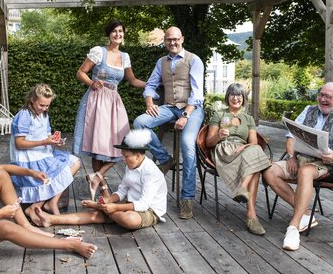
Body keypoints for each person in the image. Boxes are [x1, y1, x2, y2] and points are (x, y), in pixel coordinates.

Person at [0, 133, 97, 258]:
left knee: (0, 174)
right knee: (5, 227)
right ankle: (69, 245)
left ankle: (26, 226)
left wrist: (32, 173)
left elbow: (6, 168)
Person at [133, 26, 204, 220]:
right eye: (168, 40)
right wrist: (149, 102)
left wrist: (185, 115)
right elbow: (150, 85)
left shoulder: (194, 60)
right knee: (140, 122)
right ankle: (165, 159)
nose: (172, 43)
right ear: (164, 41)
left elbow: (197, 94)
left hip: (192, 109)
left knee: (187, 145)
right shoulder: (161, 62)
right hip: (169, 106)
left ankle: (187, 199)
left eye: (175, 39)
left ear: (182, 38)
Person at [263, 81, 333, 251]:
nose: (322, 99)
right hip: (299, 159)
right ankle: (306, 213)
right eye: (321, 95)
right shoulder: (308, 110)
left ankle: (293, 227)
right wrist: (292, 156)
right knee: (269, 171)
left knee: (305, 172)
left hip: (328, 165)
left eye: (328, 96)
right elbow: (291, 136)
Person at [33, 129, 167, 230]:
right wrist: (110, 201)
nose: (123, 160)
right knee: (94, 216)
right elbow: (121, 191)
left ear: (138, 156)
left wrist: (113, 207)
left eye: (126, 156)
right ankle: (51, 219)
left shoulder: (150, 172)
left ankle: (103, 209)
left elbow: (143, 204)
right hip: (130, 204)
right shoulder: (132, 165)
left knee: (130, 220)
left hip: (149, 210)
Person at [73, 19, 145, 200]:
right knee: (97, 145)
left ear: (123, 34)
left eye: (120, 31)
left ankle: (96, 176)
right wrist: (91, 82)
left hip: (114, 102)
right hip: (96, 100)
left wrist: (154, 85)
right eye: (114, 31)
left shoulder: (125, 57)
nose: (118, 34)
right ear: (109, 34)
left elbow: (133, 81)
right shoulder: (99, 52)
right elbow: (80, 72)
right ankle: (103, 189)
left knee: (123, 144)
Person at [10, 84, 80, 224]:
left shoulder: (43, 114)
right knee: (59, 171)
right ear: (31, 99)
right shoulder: (24, 116)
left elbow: (47, 135)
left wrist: (55, 141)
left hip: (43, 154)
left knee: (75, 162)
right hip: (28, 158)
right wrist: (44, 142)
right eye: (41, 105)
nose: (44, 108)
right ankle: (37, 206)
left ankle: (50, 203)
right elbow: (19, 143)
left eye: (47, 105)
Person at [205, 83, 271, 235]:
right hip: (224, 150)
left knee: (254, 153)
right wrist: (218, 136)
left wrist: (244, 146)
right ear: (227, 97)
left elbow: (254, 143)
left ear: (243, 98)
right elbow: (208, 142)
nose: (236, 98)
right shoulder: (219, 115)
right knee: (256, 167)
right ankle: (251, 216)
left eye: (239, 95)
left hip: (243, 151)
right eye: (232, 95)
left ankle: (248, 207)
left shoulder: (248, 119)